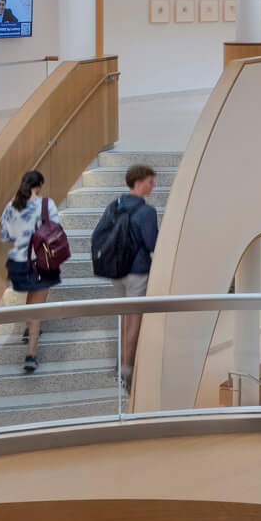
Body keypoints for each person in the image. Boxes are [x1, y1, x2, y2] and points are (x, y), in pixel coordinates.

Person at [94, 164, 163, 386]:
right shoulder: (147, 212)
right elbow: (152, 244)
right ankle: (127, 370)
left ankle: (121, 363)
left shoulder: (114, 205)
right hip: (137, 271)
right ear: (139, 182)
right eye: (150, 182)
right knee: (135, 320)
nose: (152, 186)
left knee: (125, 317)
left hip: (116, 270)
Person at [0, 169, 62, 373]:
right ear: (39, 186)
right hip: (40, 262)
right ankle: (31, 355)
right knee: (37, 308)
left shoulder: (11, 206)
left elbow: (4, 235)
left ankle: (29, 327)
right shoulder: (46, 205)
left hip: (18, 264)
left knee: (33, 298)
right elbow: (56, 231)